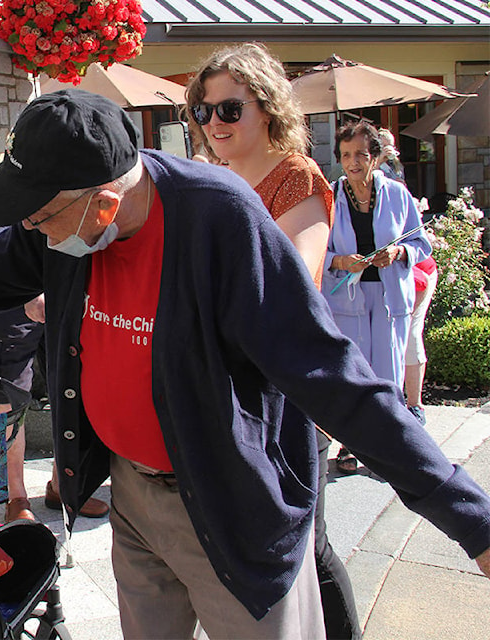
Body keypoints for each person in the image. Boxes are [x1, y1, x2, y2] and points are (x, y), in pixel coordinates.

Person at [0, 89, 490, 639]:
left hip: (230, 506)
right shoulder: (61, 225)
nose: (28, 232)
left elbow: (340, 383)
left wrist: (474, 522)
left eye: (40, 217)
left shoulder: (219, 223)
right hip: (133, 500)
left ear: (105, 204)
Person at [186, 42, 358, 640]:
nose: (214, 125)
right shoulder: (209, 180)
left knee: (306, 547)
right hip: (230, 396)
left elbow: (295, 275)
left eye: (228, 110)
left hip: (288, 392)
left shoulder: (297, 177)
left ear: (266, 107)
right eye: (203, 112)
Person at [321, 120, 431, 475]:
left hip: (388, 298)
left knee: (387, 376)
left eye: (361, 155)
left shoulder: (398, 195)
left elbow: (420, 243)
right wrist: (340, 261)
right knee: (354, 377)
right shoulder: (330, 197)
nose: (353, 162)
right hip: (346, 301)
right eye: (346, 155)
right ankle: (351, 447)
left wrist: (398, 253)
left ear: (376, 157)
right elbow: (312, 251)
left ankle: (388, 450)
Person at [0, 287, 109, 523]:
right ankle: (13, 498)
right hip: (9, 295)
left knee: (72, 388)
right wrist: (26, 291)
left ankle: (64, 488)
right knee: (7, 401)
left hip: (64, 294)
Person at [405, 255, 439, 424]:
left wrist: (406, 318)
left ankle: (415, 406)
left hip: (420, 276)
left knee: (409, 334)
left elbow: (422, 282)